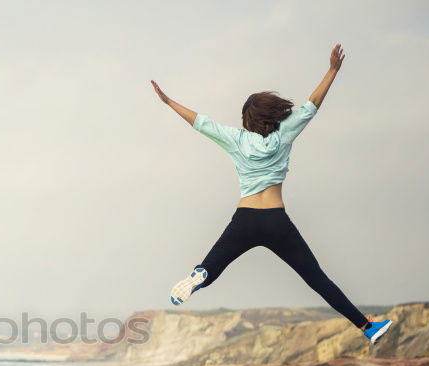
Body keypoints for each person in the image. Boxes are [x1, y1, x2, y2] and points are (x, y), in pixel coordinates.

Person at [150, 44, 392, 344]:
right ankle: (367, 327)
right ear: (274, 114)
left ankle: (200, 274)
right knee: (316, 278)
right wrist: (332, 71)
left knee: (214, 265)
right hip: (277, 221)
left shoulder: (234, 139)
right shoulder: (285, 133)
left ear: (247, 119)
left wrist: (168, 101)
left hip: (245, 219)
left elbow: (200, 122)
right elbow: (313, 103)